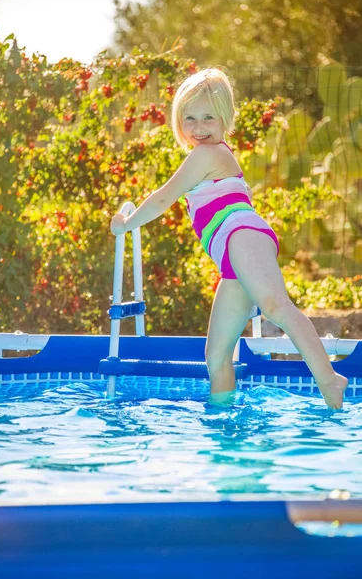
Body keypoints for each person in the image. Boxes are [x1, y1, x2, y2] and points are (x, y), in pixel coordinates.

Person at [111, 67, 348, 410]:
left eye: (209, 117)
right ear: (179, 124)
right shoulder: (206, 155)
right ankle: (223, 418)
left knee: (274, 306)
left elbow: (164, 197)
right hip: (231, 257)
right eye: (189, 119)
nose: (199, 127)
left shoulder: (207, 154)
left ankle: (329, 379)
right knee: (217, 355)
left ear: (225, 120)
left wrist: (126, 224)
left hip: (242, 234)